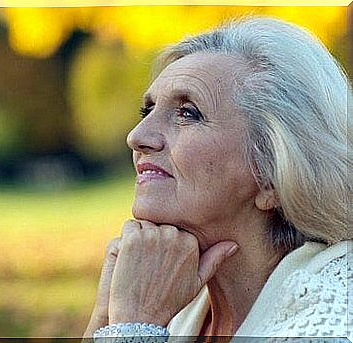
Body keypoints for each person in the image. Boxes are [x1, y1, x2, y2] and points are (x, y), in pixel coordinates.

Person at [83, 16, 352, 341]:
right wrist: (106, 315)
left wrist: (133, 328)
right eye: (148, 110)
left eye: (187, 112)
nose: (137, 136)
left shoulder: (332, 317)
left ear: (271, 173)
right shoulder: (170, 288)